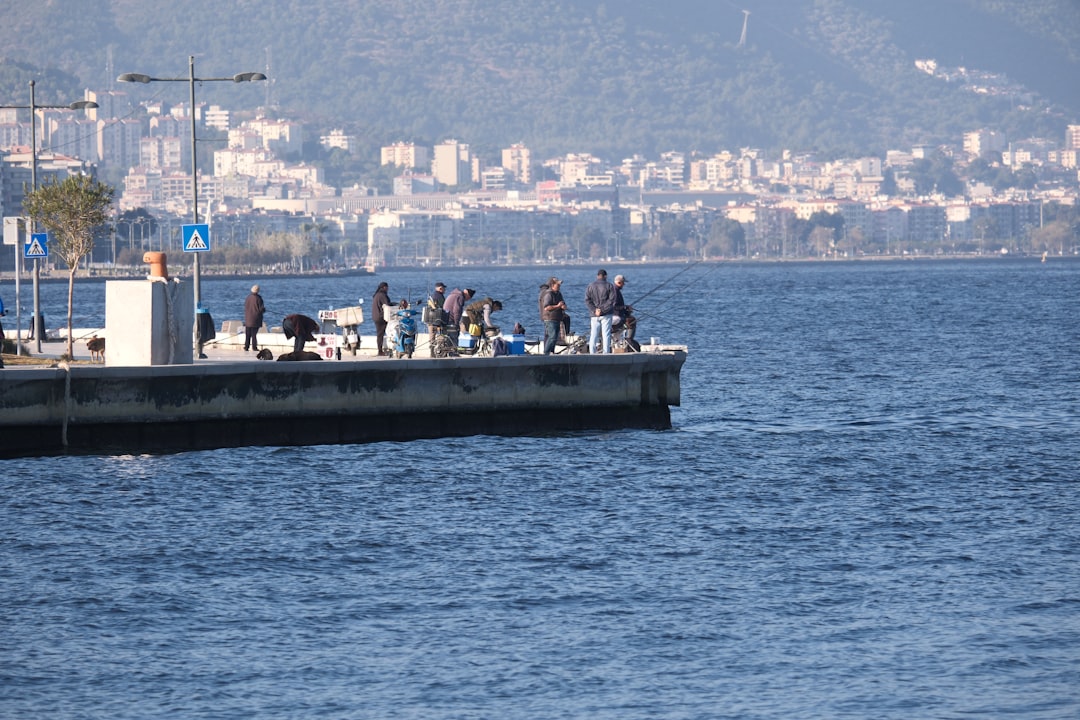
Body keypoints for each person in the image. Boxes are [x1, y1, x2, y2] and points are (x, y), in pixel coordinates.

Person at [584, 268, 617, 353]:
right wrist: (602, 310)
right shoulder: (610, 286)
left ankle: (592, 352)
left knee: (593, 335)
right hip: (606, 314)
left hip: (594, 315)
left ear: (597, 276)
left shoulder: (590, 286)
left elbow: (587, 300)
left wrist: (595, 310)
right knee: (606, 334)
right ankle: (605, 352)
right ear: (605, 276)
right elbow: (612, 300)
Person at [539, 276, 567, 354]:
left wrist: (563, 307)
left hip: (557, 318)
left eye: (559, 285)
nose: (559, 286)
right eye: (557, 285)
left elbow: (563, 303)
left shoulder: (558, 294)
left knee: (555, 337)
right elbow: (546, 307)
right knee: (552, 336)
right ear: (552, 285)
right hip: (549, 318)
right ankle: (546, 353)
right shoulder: (549, 294)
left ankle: (552, 351)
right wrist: (557, 306)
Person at [612, 274, 637, 344]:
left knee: (629, 320)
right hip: (615, 316)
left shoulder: (614, 289)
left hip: (614, 315)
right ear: (619, 282)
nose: (624, 285)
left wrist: (625, 309)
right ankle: (629, 341)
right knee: (632, 320)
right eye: (623, 283)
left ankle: (617, 340)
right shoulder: (615, 291)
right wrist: (625, 307)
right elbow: (614, 306)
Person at [372, 281, 393, 356]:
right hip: (380, 317)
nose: (388, 289)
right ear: (384, 287)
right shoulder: (382, 295)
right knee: (381, 334)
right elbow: (388, 304)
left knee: (379, 334)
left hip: (375, 316)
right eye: (387, 287)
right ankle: (380, 351)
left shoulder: (376, 295)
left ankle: (380, 350)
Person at [243, 284, 266, 352]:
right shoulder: (259, 298)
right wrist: (264, 310)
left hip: (248, 319)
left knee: (247, 334)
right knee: (254, 334)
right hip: (255, 319)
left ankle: (246, 347)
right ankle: (254, 347)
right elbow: (261, 309)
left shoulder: (248, 298)